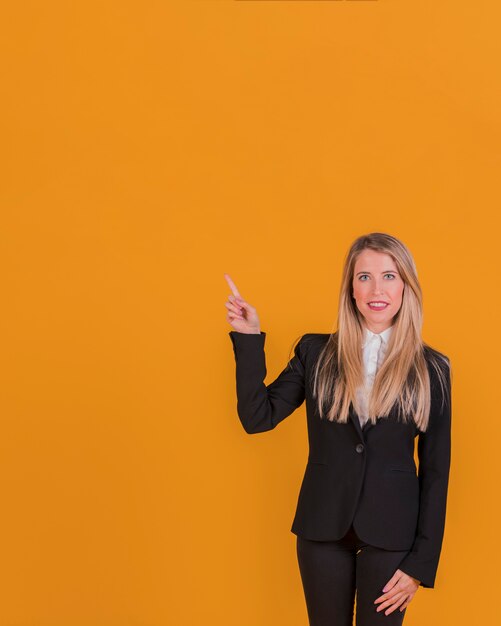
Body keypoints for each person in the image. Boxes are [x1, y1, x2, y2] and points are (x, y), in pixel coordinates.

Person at [224, 232, 452, 626]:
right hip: (323, 528)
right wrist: (248, 339)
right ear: (350, 287)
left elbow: (436, 471)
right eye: (364, 277)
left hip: (392, 533)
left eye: (389, 276)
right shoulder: (315, 352)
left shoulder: (433, 368)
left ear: (406, 286)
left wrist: (421, 564)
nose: (376, 289)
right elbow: (257, 417)